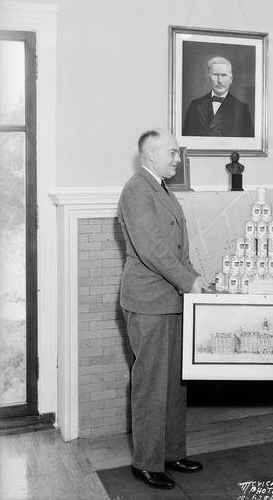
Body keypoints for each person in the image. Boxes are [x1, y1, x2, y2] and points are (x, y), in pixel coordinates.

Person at [118, 129, 210, 490]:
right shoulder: (137, 189)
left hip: (170, 300)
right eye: (172, 153)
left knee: (174, 383)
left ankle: (171, 453)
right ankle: (146, 462)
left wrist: (196, 278)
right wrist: (189, 282)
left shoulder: (160, 188)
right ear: (151, 153)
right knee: (151, 385)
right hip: (149, 302)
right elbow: (153, 249)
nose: (178, 159)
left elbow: (175, 249)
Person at [182, 56, 254, 137]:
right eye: (216, 75)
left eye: (224, 75)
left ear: (231, 79)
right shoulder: (195, 105)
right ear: (208, 78)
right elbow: (186, 140)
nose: (220, 81)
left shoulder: (242, 109)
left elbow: (247, 143)